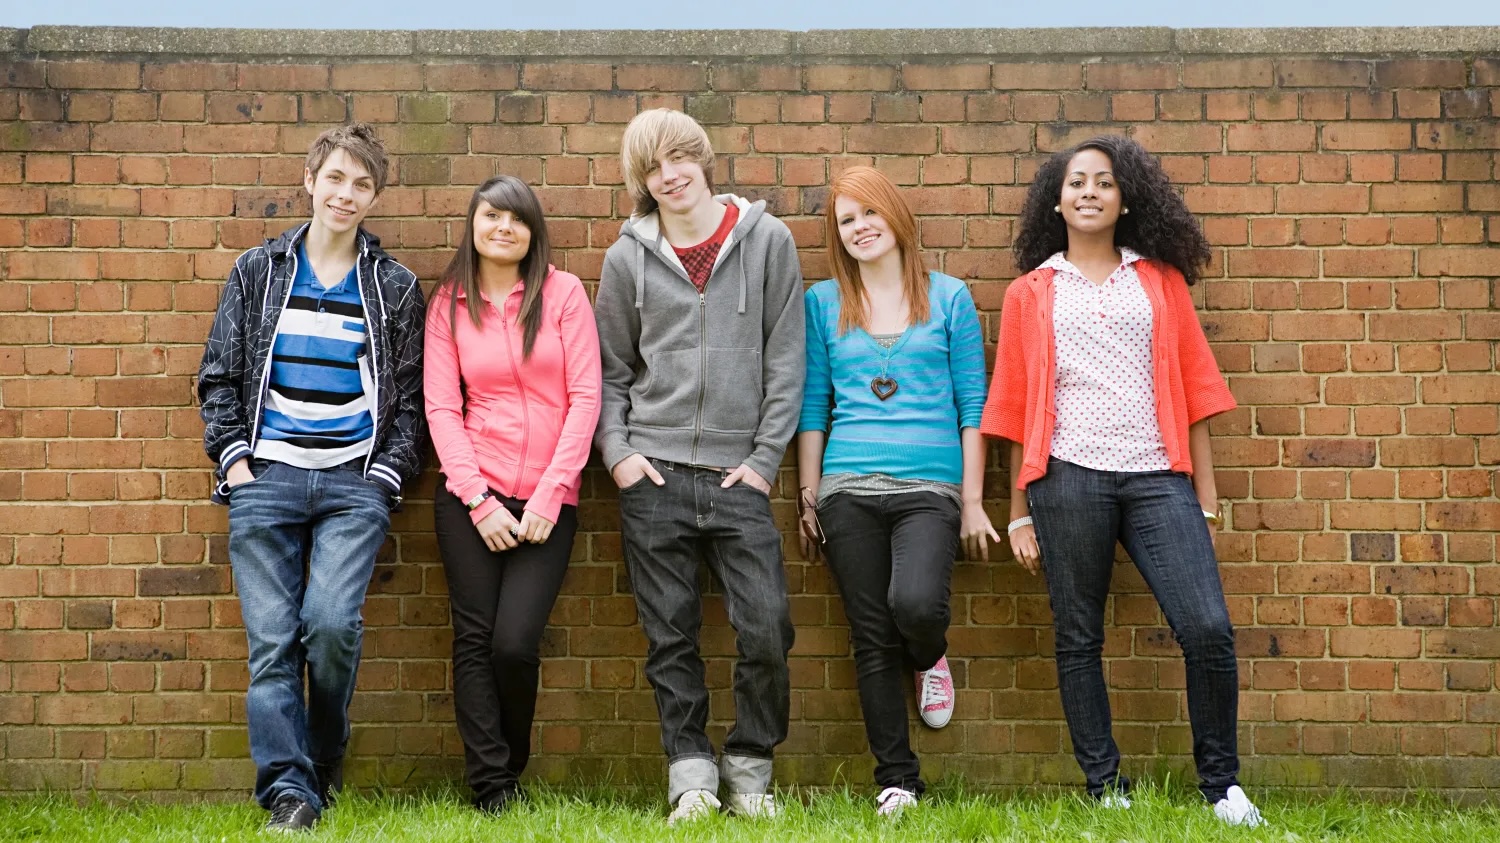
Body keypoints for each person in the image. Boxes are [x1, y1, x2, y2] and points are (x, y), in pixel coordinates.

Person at [980, 135, 1263, 826]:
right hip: (1066, 477)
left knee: (1207, 628)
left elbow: (1195, 389)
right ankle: (1105, 784)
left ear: (1125, 199)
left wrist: (1206, 496)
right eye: (1076, 181)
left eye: (1104, 182)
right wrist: (1018, 510)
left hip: (1157, 476)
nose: (1089, 192)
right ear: (1056, 200)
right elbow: (1014, 407)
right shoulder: (1030, 293)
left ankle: (1222, 786)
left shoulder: (1160, 281)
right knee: (1079, 635)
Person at [197, 123, 426, 832]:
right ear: (310, 180)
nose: (345, 194)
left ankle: (321, 758)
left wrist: (383, 476)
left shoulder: (393, 287)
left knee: (330, 627)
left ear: (375, 196)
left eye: (361, 183)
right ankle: (289, 792)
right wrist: (236, 462)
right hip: (265, 479)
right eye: (335, 178)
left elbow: (411, 402)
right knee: (272, 644)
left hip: (353, 484)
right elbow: (218, 376)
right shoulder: (257, 272)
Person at [593, 108, 805, 825]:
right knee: (670, 637)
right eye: (652, 167)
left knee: (767, 627)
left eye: (679, 157)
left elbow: (786, 362)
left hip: (738, 475)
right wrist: (620, 454)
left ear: (703, 157)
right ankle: (690, 777)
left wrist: (764, 460)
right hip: (653, 474)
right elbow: (610, 370)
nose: (670, 175)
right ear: (641, 181)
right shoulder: (626, 259)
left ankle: (749, 770)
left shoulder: (768, 241)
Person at [795, 166, 996, 819]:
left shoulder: (950, 298)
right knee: (870, 635)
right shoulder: (823, 303)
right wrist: (807, 495)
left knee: (915, 605)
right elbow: (813, 406)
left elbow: (972, 405)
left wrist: (972, 500)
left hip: (930, 487)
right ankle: (898, 780)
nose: (860, 227)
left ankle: (930, 655)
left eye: (870, 212)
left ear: (897, 217)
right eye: (846, 220)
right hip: (846, 486)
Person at [424, 176, 602, 814]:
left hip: (549, 501)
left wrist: (551, 495)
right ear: (473, 224)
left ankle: (510, 763)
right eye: (491, 216)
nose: (503, 228)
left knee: (515, 643)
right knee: (474, 639)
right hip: (472, 495)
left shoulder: (563, 294)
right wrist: (478, 500)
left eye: (517, 219)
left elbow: (586, 398)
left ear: (533, 231)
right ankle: (492, 787)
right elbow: (441, 408)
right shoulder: (448, 303)